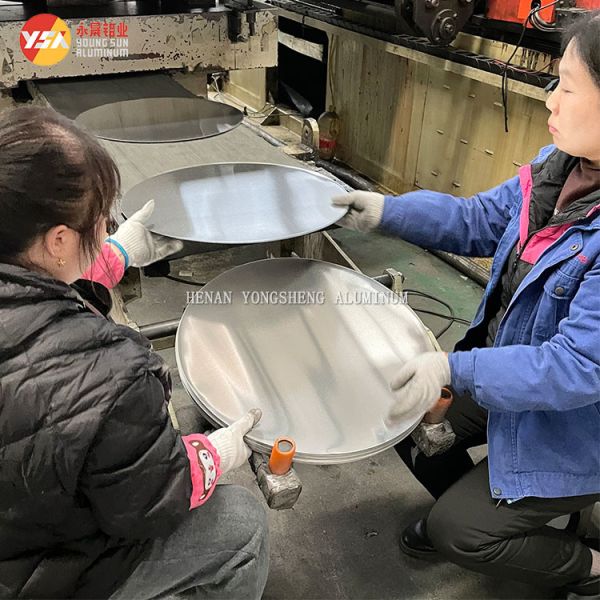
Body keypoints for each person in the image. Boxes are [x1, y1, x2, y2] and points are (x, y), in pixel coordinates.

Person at [333, 10, 600, 599]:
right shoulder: (556, 171)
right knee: (400, 412)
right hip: (512, 373)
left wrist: (455, 368)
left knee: (460, 534)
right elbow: (477, 219)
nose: (550, 100)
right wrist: (384, 211)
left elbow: (577, 368)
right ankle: (472, 508)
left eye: (568, 87)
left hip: (579, 424)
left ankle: (584, 566)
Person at [0, 106, 269, 600]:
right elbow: (151, 501)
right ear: (58, 241)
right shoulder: (109, 372)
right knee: (240, 523)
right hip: (36, 573)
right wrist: (214, 454)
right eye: (101, 222)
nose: (107, 228)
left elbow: (32, 300)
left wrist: (113, 257)